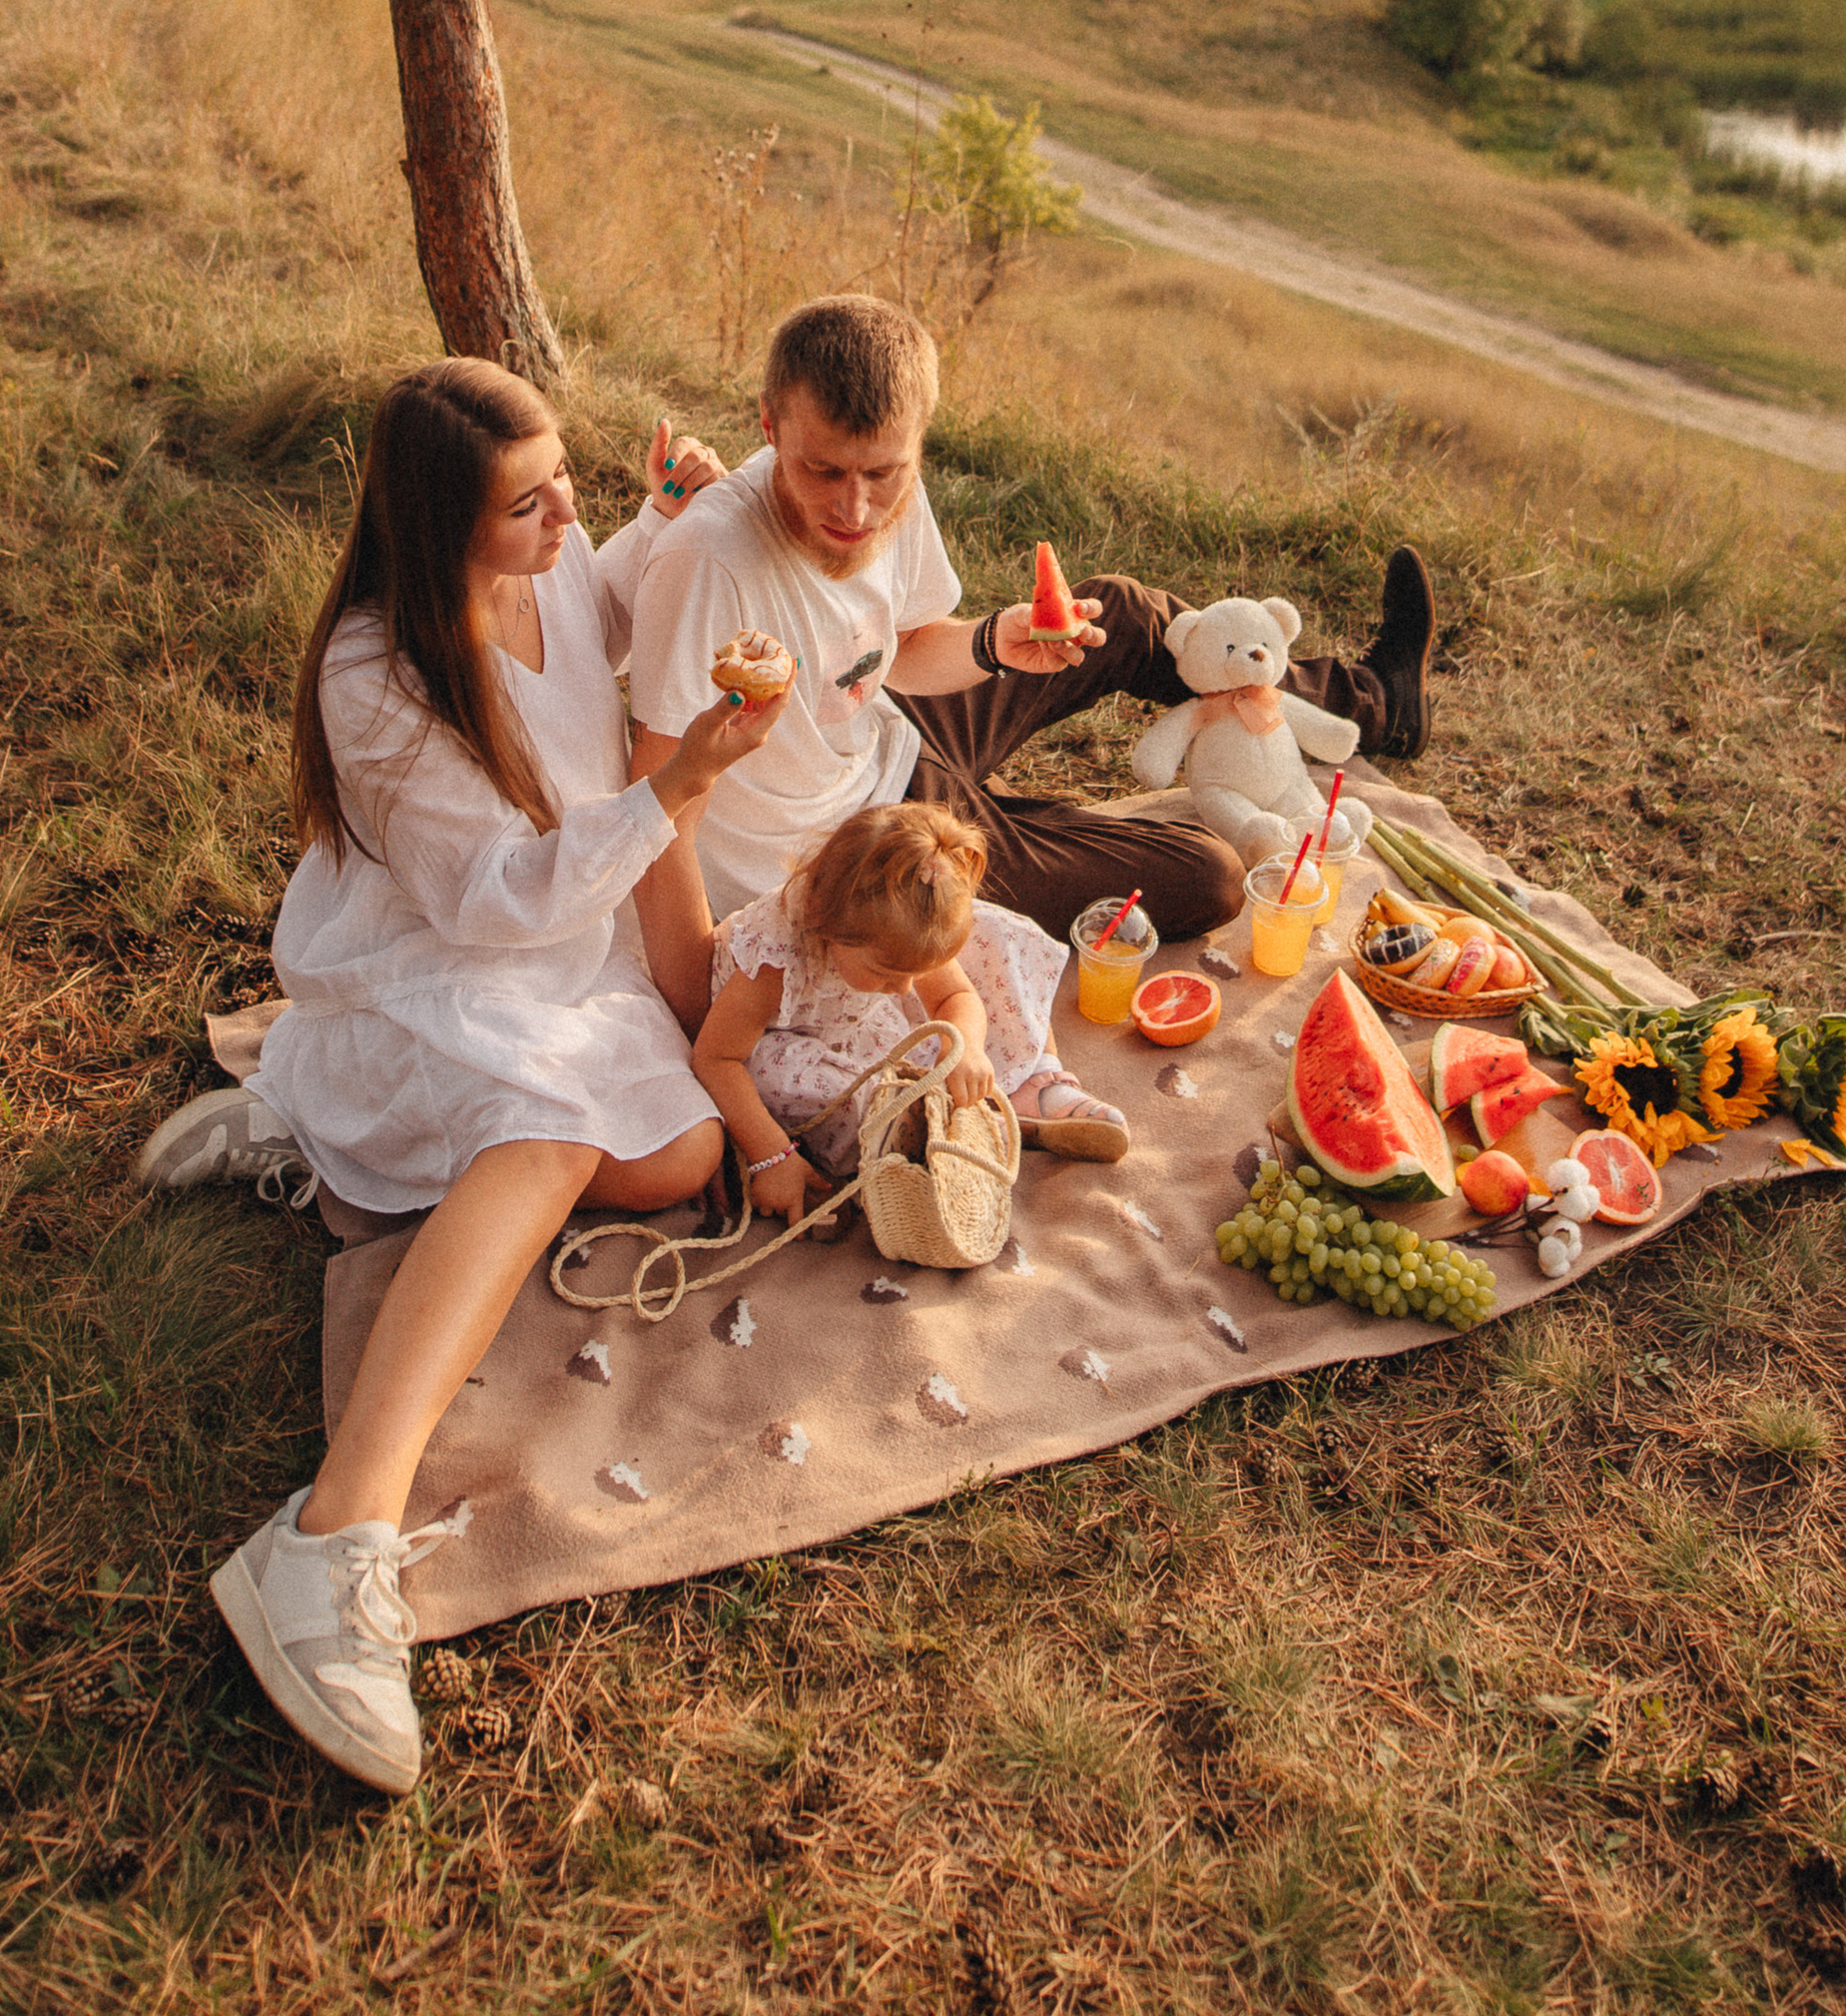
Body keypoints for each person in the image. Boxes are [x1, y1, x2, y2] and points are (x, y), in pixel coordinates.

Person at [134, 363, 781, 1797]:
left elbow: (604, 610)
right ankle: (329, 1541)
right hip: (446, 963)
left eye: (568, 481)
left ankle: (306, 1116)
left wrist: (662, 520)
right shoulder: (372, 677)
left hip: (560, 960)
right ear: (438, 526)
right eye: (528, 502)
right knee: (549, 1137)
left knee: (676, 1162)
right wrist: (675, 791)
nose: (566, 513)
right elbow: (494, 907)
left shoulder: (554, 569)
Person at [627, 290, 1439, 956]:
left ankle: (1378, 702)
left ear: (914, 443)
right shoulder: (709, 560)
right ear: (768, 425)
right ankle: (1014, 830)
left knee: (1116, 611)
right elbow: (659, 796)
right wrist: (701, 998)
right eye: (823, 471)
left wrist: (992, 641)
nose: (855, 507)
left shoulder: (883, 491)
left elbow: (900, 649)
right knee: (1211, 875)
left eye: (884, 472)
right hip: (854, 849)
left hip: (888, 733)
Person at [695, 801, 1127, 1210]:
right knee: (784, 1077)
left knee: (995, 938)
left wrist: (967, 1047)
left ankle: (1032, 1078)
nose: (905, 990)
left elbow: (954, 996)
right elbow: (716, 1058)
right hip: (790, 1039)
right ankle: (918, 1133)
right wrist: (771, 1155)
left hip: (864, 1019)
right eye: (887, 973)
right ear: (828, 926)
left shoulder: (896, 932)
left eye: (911, 975)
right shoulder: (773, 961)